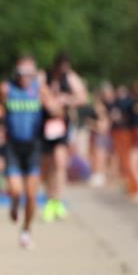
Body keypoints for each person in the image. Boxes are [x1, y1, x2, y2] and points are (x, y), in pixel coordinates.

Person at [0, 55, 60, 249]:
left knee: (32, 195)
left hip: (34, 146)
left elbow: (57, 111)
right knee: (17, 190)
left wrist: (52, 104)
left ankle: (26, 231)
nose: (25, 76)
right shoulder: (7, 89)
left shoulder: (40, 90)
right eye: (21, 72)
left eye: (29, 73)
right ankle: (14, 204)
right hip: (13, 146)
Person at [41, 53, 87, 222]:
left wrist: (67, 100)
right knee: (47, 165)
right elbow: (37, 91)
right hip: (43, 126)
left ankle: (56, 200)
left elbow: (82, 96)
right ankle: (49, 197)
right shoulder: (44, 76)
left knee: (60, 162)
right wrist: (48, 101)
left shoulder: (71, 78)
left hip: (61, 126)